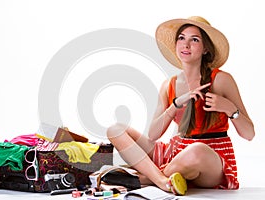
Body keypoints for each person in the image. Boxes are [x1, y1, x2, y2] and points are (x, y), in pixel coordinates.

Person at [107, 16, 255, 195]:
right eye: (181, 38)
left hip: (210, 159)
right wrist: (175, 105)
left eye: (194, 40)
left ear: (206, 48)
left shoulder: (221, 80)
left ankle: (146, 178)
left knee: (196, 150)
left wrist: (229, 108)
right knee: (115, 130)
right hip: (175, 152)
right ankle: (162, 180)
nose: (186, 44)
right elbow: (153, 135)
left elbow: (249, 134)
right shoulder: (169, 85)